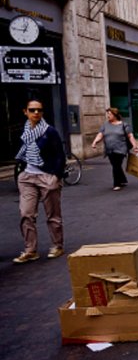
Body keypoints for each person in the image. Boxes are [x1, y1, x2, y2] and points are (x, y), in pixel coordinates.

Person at [13, 99, 66, 263]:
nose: (36, 113)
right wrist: (20, 174)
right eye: (32, 110)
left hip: (47, 176)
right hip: (27, 177)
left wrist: (56, 176)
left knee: (53, 215)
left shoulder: (49, 131)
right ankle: (30, 250)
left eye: (39, 110)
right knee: (26, 214)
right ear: (25, 112)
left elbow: (60, 155)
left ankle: (57, 245)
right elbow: (20, 153)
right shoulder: (23, 131)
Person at [91, 108, 138, 191]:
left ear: (115, 115)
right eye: (107, 114)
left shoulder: (124, 125)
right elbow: (100, 135)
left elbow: (130, 136)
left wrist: (135, 146)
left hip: (121, 149)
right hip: (109, 149)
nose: (108, 115)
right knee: (116, 165)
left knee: (116, 165)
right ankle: (123, 179)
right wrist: (95, 142)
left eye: (110, 114)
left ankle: (117, 184)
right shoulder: (105, 125)